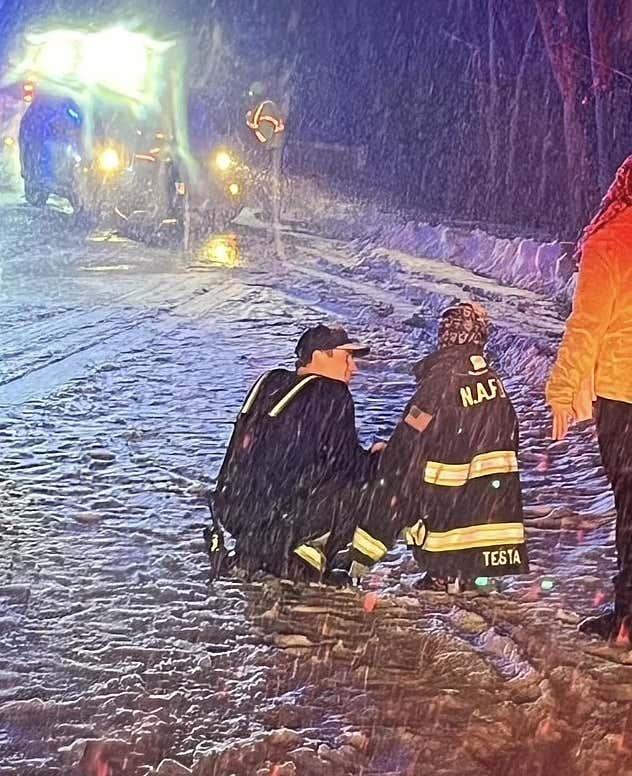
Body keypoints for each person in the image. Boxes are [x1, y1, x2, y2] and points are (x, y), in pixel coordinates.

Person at [339, 302, 529, 590]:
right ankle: (464, 577)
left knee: (393, 474)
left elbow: (405, 450)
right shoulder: (494, 383)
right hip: (492, 537)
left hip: (447, 540)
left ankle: (359, 565)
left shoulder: (441, 383)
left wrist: (385, 460)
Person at [206, 324, 383, 582]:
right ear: (321, 355)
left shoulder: (270, 383)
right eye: (347, 358)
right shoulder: (332, 393)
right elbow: (345, 463)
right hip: (285, 523)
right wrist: (376, 459)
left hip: (241, 513)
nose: (353, 369)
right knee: (384, 472)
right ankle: (313, 559)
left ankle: (261, 555)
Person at [547, 155, 632, 642]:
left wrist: (562, 387)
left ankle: (627, 616)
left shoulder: (611, 240)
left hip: (624, 397)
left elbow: (587, 325)